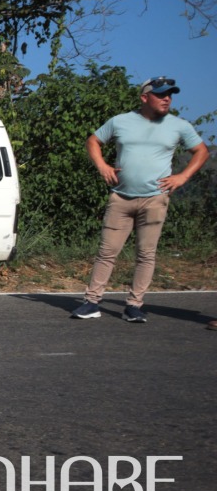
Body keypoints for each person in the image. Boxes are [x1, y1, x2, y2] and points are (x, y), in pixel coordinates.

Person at [71, 76, 210, 323]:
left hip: (155, 199)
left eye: (170, 94)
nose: (167, 98)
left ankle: (134, 305)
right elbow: (93, 141)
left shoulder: (179, 125)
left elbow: (201, 151)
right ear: (145, 97)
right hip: (121, 198)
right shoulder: (121, 121)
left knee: (146, 254)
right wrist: (102, 166)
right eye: (161, 94)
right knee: (107, 252)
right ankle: (92, 302)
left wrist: (182, 177)